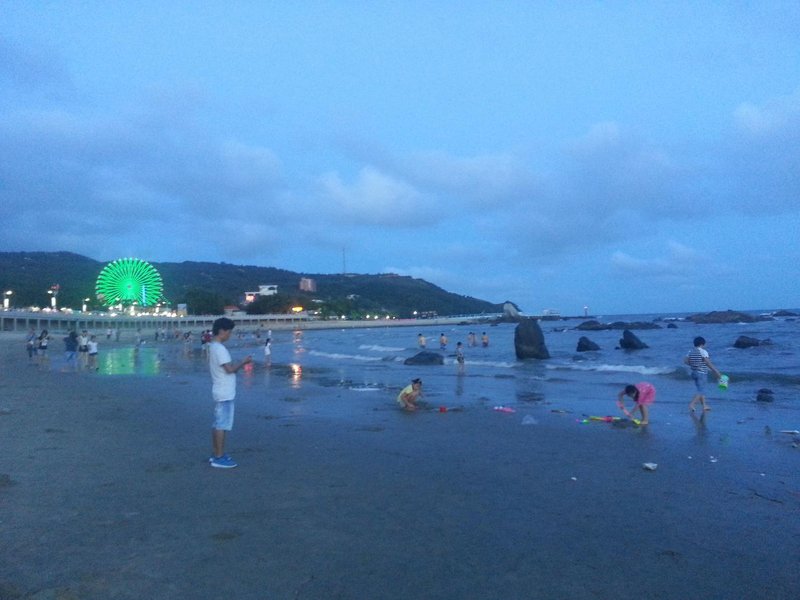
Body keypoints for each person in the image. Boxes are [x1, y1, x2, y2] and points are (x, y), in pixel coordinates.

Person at [208, 317, 252, 469]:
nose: (229, 335)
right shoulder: (220, 349)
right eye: (229, 332)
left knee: (218, 424)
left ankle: (217, 453)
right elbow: (229, 369)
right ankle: (219, 457)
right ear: (222, 331)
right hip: (224, 392)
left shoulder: (213, 346)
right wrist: (244, 362)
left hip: (219, 389)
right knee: (222, 424)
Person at [685, 336, 722, 412]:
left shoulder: (690, 351)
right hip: (701, 373)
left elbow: (685, 361)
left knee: (700, 389)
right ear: (703, 344)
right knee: (701, 390)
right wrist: (716, 372)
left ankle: (704, 405)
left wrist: (694, 365)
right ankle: (692, 404)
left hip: (694, 373)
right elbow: (707, 362)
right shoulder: (703, 351)